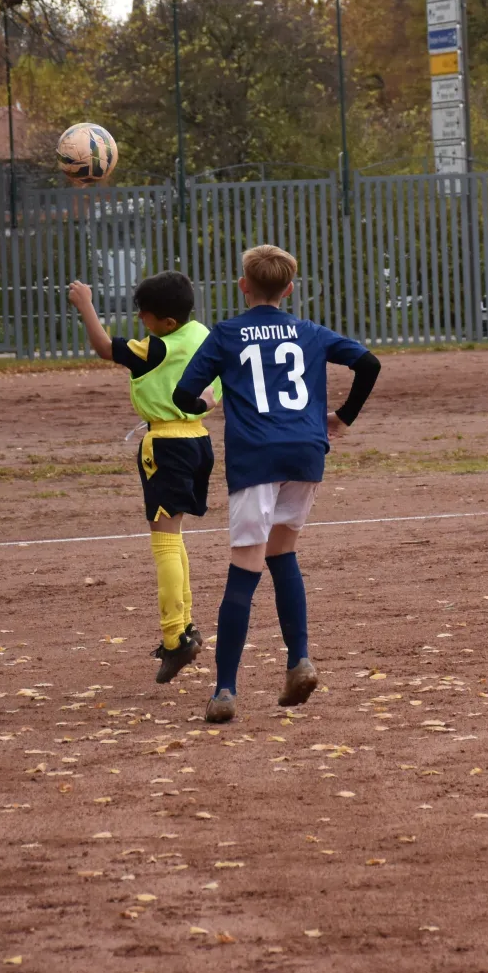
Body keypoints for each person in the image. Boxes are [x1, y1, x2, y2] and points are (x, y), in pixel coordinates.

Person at [171, 245, 382, 724]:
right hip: (305, 452)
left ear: (243, 285)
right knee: (283, 555)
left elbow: (183, 395)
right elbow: (368, 363)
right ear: (288, 289)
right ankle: (298, 660)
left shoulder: (227, 334)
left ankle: (225, 690)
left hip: (256, 457)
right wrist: (343, 417)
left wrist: (205, 403)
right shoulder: (309, 331)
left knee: (243, 571)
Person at [67, 272, 219, 683]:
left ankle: (174, 639)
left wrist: (85, 304)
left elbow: (104, 348)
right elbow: (215, 391)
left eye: (145, 315)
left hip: (166, 444)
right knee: (175, 536)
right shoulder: (203, 335)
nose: (141, 320)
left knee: (164, 542)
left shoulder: (157, 347)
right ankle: (186, 626)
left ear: (166, 322)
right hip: (198, 441)